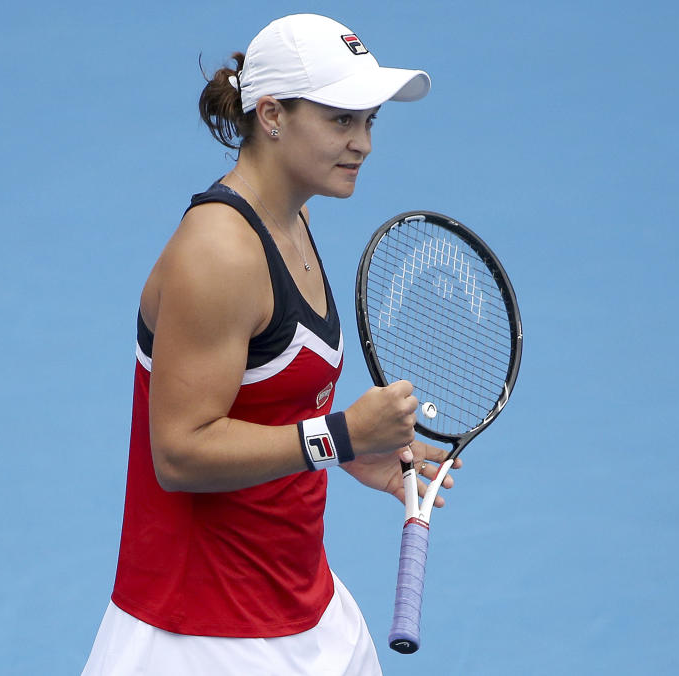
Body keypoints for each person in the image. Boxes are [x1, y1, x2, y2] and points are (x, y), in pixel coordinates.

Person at [82, 13, 460, 675]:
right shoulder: (219, 252)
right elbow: (178, 452)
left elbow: (269, 399)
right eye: (342, 119)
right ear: (272, 114)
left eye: (370, 121)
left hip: (309, 617)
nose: (364, 143)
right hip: (200, 641)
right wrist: (339, 435)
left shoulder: (293, 216)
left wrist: (353, 453)